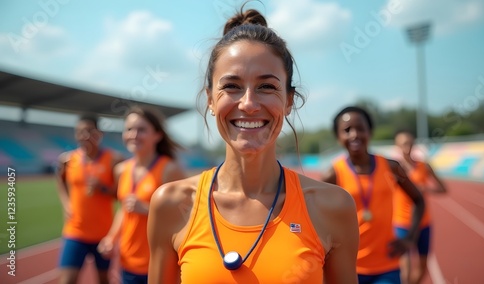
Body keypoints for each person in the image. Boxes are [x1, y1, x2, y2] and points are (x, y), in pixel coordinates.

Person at [147, 7, 359, 284]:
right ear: (210, 99)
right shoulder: (171, 204)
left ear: (288, 100)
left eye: (267, 87)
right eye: (232, 86)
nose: (248, 103)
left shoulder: (333, 206)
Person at [321, 106, 426, 284]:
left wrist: (410, 238)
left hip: (387, 266)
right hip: (348, 268)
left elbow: (419, 200)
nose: (354, 134)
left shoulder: (392, 167)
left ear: (370, 132)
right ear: (338, 137)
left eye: (360, 128)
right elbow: (319, 218)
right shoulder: (333, 174)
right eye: (347, 130)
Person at [97, 106, 185, 284]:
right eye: (129, 129)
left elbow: (185, 216)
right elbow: (125, 209)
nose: (134, 135)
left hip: (159, 263)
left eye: (142, 130)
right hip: (127, 260)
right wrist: (111, 238)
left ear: (157, 135)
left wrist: (146, 209)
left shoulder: (169, 170)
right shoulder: (121, 170)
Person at [56, 114, 123, 284]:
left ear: (98, 133)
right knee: (67, 280)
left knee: (103, 280)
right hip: (75, 230)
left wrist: (103, 188)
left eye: (88, 131)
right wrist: (66, 204)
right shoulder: (67, 160)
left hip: (103, 233)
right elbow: (61, 181)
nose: (84, 136)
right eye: (79, 132)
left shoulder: (114, 160)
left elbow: (120, 195)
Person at [393, 129, 447, 284]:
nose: (407, 147)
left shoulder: (424, 166)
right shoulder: (394, 169)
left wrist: (426, 189)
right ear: (397, 146)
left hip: (423, 223)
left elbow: (443, 188)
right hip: (402, 223)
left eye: (410, 143)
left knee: (422, 269)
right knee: (405, 270)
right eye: (403, 144)